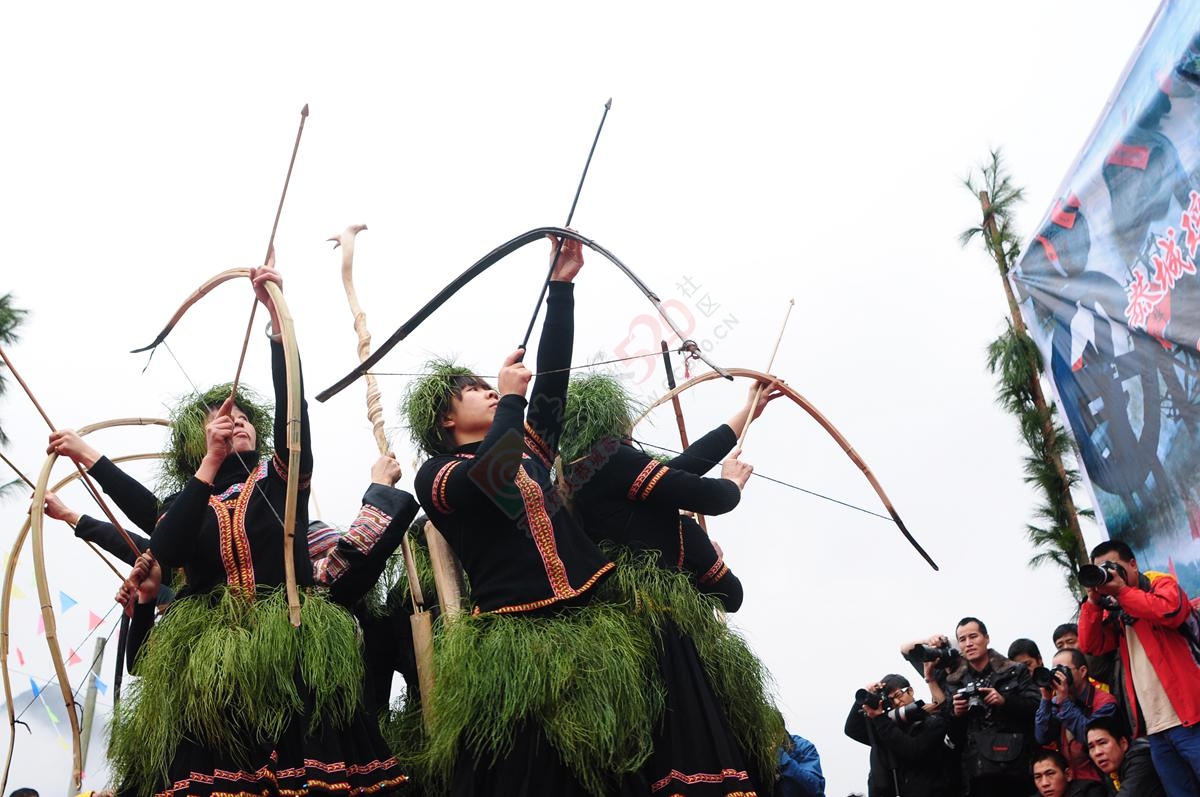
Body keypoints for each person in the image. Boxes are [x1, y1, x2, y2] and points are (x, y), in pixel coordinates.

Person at [108, 261, 406, 796]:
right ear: (196, 442)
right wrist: (208, 462)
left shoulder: (278, 481)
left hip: (293, 654)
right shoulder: (186, 501)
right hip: (216, 677)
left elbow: (296, 428)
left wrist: (278, 331)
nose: (237, 419)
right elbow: (168, 550)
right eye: (224, 418)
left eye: (246, 415)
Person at [403, 237, 651, 795]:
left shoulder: (530, 451)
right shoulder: (437, 475)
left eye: (491, 389)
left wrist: (561, 286)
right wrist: (511, 401)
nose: (490, 393)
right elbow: (491, 474)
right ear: (446, 418)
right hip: (515, 637)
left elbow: (554, 378)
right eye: (475, 391)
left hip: (585, 621)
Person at [558, 372, 788, 791]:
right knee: (680, 734)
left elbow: (683, 466)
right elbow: (708, 497)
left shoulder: (583, 474)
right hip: (655, 621)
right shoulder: (612, 458)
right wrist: (731, 483)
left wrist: (747, 411)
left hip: (614, 623)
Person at [1079, 540, 1200, 796]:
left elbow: (1172, 611)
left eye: (1114, 567)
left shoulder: (1159, 583)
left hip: (1193, 718)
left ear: (1133, 564)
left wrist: (1122, 591)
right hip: (1155, 730)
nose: (1108, 575)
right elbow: (1091, 645)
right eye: (1101, 570)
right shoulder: (1114, 608)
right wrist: (1092, 602)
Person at [941, 617, 1041, 796]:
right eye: (962, 640)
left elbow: (1036, 707)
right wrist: (956, 713)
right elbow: (952, 735)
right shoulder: (954, 682)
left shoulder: (1015, 670)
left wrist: (1005, 701)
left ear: (986, 638)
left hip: (1015, 764)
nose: (969, 643)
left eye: (973, 636)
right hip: (976, 770)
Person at [843, 673, 951, 796]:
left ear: (910, 691)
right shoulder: (886, 726)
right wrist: (865, 698)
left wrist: (880, 720)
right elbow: (852, 729)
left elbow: (913, 751)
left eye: (899, 695)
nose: (896, 701)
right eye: (890, 699)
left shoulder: (933, 721)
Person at [1034, 647, 1117, 796]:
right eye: (1055, 670)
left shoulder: (1104, 702)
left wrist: (1064, 701)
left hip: (1102, 783)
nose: (1059, 675)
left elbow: (1089, 737)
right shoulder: (1058, 701)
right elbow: (1042, 736)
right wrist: (1045, 700)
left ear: (1083, 671)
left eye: (1063, 669)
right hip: (1071, 785)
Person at [1086, 716, 1166, 796]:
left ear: (1123, 743)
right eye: (1091, 747)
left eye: (1103, 743)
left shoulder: (1140, 760)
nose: (1097, 752)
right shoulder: (1111, 772)